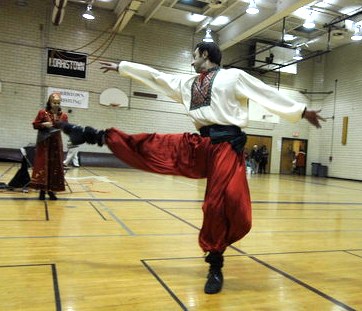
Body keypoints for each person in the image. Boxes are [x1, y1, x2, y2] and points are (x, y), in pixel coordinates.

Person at [57, 42, 325, 294]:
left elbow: (264, 93)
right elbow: (158, 78)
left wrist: (301, 111)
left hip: (227, 147)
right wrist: (124, 67)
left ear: (206, 55)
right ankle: (92, 135)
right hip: (202, 143)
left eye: (195, 55)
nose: (192, 60)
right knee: (155, 145)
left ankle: (215, 263)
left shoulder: (233, 77)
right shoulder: (187, 84)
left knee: (219, 204)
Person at [30, 92, 68, 200]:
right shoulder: (43, 112)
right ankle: (42, 191)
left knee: (55, 167)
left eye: (58, 103)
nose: (56, 105)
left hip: (56, 144)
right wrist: (43, 124)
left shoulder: (63, 115)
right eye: (54, 102)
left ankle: (51, 191)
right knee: (43, 165)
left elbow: (65, 127)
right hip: (44, 143)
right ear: (49, 102)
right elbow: (35, 124)